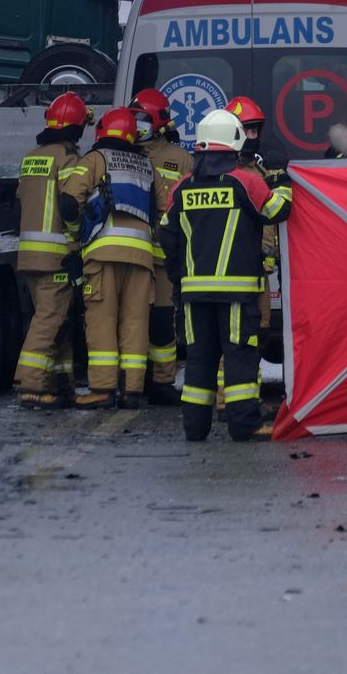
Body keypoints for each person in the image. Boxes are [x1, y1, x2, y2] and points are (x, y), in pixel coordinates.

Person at [160, 110, 293, 442]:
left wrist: (179, 281)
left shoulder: (181, 189)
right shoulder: (246, 182)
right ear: (234, 142)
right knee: (239, 358)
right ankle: (244, 424)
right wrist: (281, 181)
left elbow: (167, 237)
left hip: (192, 294)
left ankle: (195, 428)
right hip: (237, 293)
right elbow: (279, 210)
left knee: (200, 359)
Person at [59, 107, 156, 409]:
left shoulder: (94, 160)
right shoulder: (146, 165)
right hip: (142, 256)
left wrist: (76, 237)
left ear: (102, 130)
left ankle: (102, 388)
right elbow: (164, 208)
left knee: (102, 319)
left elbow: (67, 202)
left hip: (103, 253)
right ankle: (132, 390)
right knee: (136, 322)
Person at [12, 92, 91, 409]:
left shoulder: (31, 157)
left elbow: (22, 198)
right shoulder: (68, 159)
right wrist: (75, 243)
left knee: (57, 320)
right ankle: (30, 385)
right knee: (48, 320)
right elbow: (70, 204)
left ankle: (60, 385)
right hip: (56, 254)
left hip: (29, 254)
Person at [130, 88, 193, 406]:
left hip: (166, 257)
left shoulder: (180, 158)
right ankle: (132, 382)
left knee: (163, 321)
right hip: (134, 255)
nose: (137, 124)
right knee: (132, 319)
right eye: (134, 118)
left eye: (142, 118)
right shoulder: (123, 154)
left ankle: (163, 380)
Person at [226, 96, 283, 333]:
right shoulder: (222, 174)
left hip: (259, 273)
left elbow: (271, 220)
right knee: (231, 334)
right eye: (247, 130)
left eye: (255, 130)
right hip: (230, 273)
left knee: (259, 333)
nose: (253, 137)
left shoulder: (261, 171)